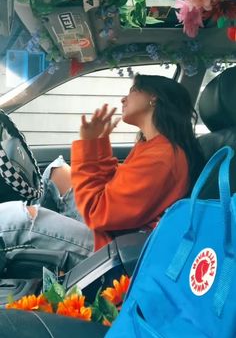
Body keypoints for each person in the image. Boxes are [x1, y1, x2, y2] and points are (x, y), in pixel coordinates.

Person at [0, 74, 205, 268]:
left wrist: (89, 144)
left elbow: (98, 212)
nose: (124, 98)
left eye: (133, 90)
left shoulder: (162, 158)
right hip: (114, 228)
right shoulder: (154, 146)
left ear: (154, 98)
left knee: (16, 217)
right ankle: (39, 244)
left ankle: (36, 235)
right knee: (57, 170)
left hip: (113, 248)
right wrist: (97, 144)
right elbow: (113, 184)